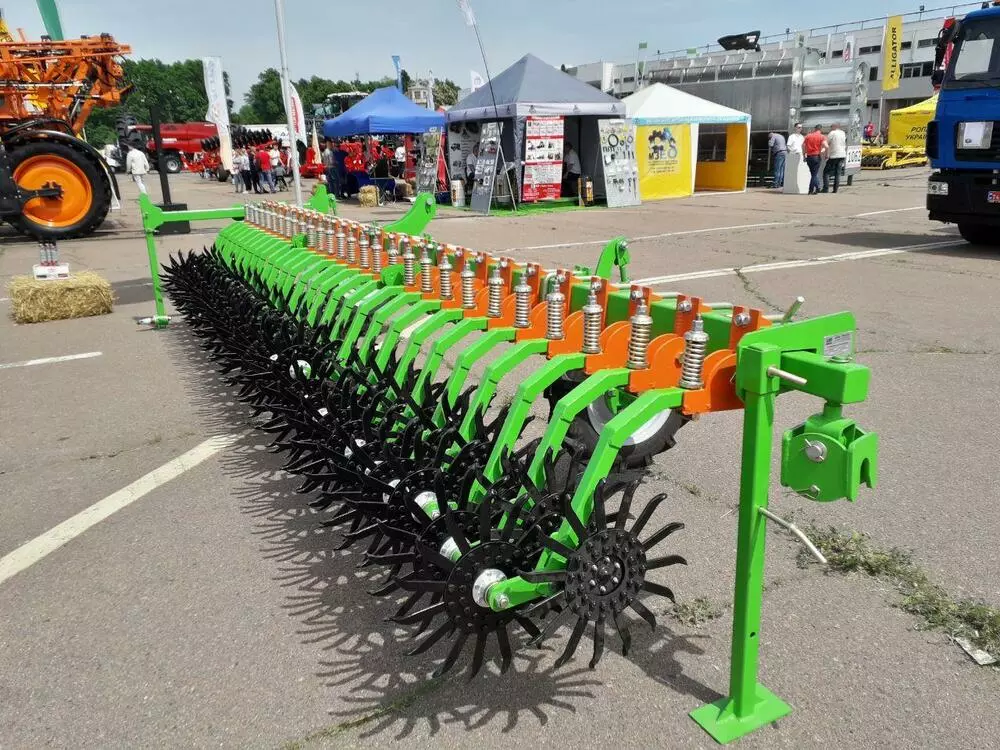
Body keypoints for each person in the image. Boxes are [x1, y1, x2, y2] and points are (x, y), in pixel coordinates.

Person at [823, 122, 847, 194]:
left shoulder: (832, 133)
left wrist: (824, 151)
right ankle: (835, 189)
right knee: (838, 173)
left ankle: (826, 189)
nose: (830, 128)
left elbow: (826, 143)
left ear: (834, 127)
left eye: (831, 127)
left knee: (826, 172)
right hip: (842, 155)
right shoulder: (843, 133)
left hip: (834, 155)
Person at [803, 124, 827, 196]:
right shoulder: (822, 137)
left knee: (813, 173)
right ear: (821, 129)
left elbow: (803, 145)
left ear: (814, 129)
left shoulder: (808, 136)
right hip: (816, 156)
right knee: (814, 174)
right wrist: (825, 153)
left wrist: (804, 155)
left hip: (809, 157)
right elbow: (826, 146)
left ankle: (817, 188)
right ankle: (811, 190)